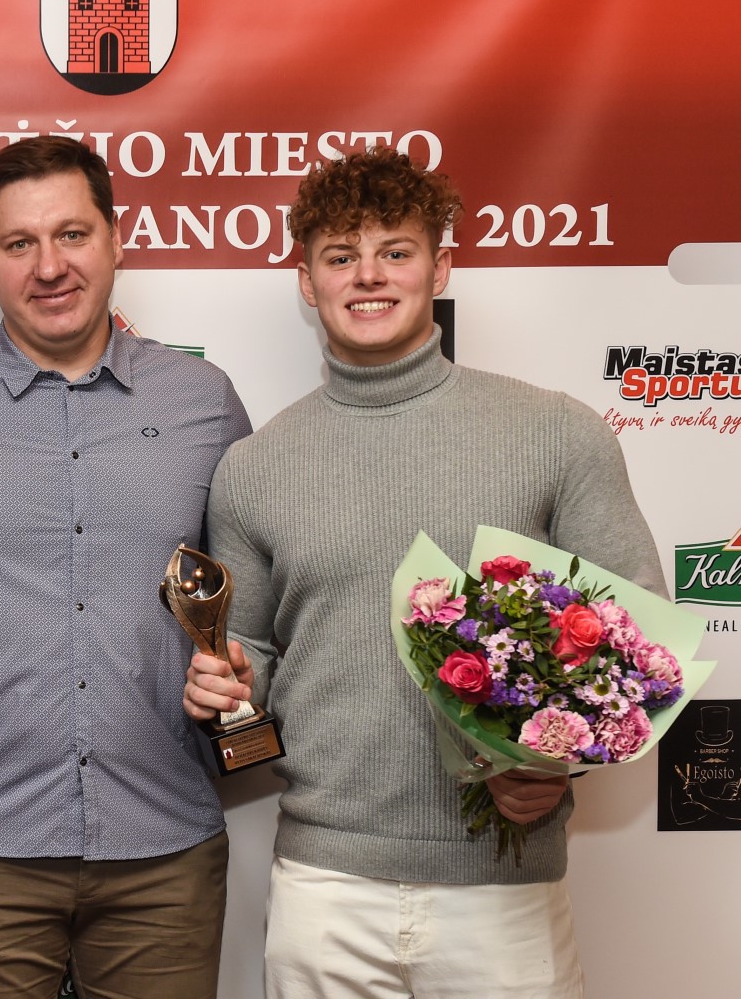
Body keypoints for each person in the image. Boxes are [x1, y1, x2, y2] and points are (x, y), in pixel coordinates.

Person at [189, 147, 664, 998]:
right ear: (306, 281)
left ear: (439, 268)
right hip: (324, 890)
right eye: (340, 256)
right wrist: (224, 681)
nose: (367, 276)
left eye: (394, 251)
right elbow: (247, 648)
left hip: (504, 885)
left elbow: (640, 645)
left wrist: (555, 764)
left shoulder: (556, 433)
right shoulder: (253, 467)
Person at [0, 135, 253, 999]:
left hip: (163, 844)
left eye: (72, 235)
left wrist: (243, 668)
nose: (48, 266)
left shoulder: (202, 400)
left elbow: (250, 601)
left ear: (116, 240)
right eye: (19, 243)